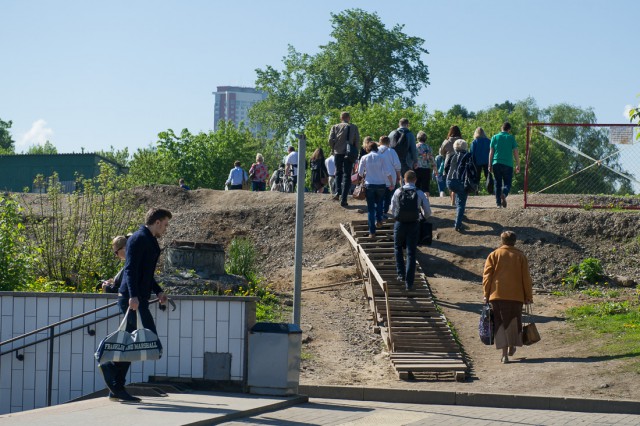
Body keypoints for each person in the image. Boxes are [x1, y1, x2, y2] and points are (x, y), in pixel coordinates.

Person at [99, 208, 171, 403]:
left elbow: (145, 273)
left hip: (138, 298)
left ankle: (117, 387)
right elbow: (130, 270)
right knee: (147, 335)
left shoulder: (149, 239)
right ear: (156, 222)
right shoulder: (139, 239)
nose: (165, 228)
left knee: (132, 342)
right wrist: (133, 296)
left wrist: (158, 291)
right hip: (132, 299)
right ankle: (111, 371)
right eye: (165, 224)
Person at [482, 231, 533, 364]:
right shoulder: (520, 256)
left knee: (500, 323)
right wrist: (528, 295)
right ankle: (512, 345)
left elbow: (487, 277)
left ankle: (504, 355)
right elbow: (526, 278)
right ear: (515, 241)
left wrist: (486, 294)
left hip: (497, 295)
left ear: (502, 241)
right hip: (516, 296)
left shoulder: (494, 255)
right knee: (514, 321)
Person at [390, 170, 432, 290]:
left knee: (397, 247)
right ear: (415, 180)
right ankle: (409, 283)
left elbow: (392, 208)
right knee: (411, 253)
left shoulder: (398, 191)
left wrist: (397, 217)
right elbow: (428, 212)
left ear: (404, 179)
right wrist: (421, 217)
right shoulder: (419, 193)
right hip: (414, 224)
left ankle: (400, 274)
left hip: (400, 223)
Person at [358, 140, 395, 238]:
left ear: (368, 149)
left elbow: (360, 173)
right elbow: (388, 172)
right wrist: (391, 183)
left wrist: (365, 174)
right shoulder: (381, 157)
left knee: (370, 209)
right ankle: (379, 219)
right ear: (376, 148)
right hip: (381, 184)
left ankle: (372, 232)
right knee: (379, 203)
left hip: (369, 184)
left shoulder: (364, 157)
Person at [328, 111, 360, 207]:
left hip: (338, 152)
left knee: (338, 172)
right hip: (349, 153)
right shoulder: (353, 127)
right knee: (347, 175)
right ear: (349, 118)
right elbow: (357, 141)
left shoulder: (335, 127)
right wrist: (355, 152)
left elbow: (330, 140)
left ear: (341, 118)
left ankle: (337, 192)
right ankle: (344, 198)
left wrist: (334, 147)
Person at [489, 122, 520, 208]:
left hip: (496, 163)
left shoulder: (494, 137)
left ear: (501, 128)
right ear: (509, 129)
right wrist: (518, 164)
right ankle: (505, 193)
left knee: (497, 183)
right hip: (508, 164)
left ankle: (498, 204)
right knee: (507, 183)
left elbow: (491, 152)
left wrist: (489, 164)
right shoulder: (511, 138)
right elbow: (515, 152)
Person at [444, 139, 471, 232]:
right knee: (461, 203)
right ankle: (458, 224)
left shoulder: (452, 155)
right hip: (460, 181)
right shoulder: (467, 156)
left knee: (458, 199)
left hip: (450, 181)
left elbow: (446, 167)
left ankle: (459, 215)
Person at [377, 135, 402, 218]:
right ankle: (385, 211)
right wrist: (399, 176)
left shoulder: (375, 151)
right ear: (389, 142)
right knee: (388, 196)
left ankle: (379, 212)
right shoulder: (392, 151)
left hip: (378, 177)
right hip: (391, 177)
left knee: (379, 196)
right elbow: (397, 165)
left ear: (380, 142)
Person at [440, 125, 462, 206]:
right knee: (458, 179)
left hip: (448, 162)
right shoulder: (462, 141)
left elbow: (441, 152)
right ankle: (455, 197)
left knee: (449, 179)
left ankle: (452, 199)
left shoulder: (446, 141)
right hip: (460, 162)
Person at [415, 131, 437, 195]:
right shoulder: (428, 147)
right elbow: (432, 159)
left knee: (416, 186)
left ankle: (417, 202)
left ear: (418, 138)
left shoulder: (415, 147)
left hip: (417, 168)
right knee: (426, 187)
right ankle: (426, 201)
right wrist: (435, 169)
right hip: (426, 169)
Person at [470, 127, 491, 193]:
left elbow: (472, 152)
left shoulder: (474, 142)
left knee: (477, 176)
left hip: (477, 161)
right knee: (488, 175)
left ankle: (476, 190)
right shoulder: (488, 141)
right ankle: (490, 190)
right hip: (487, 161)